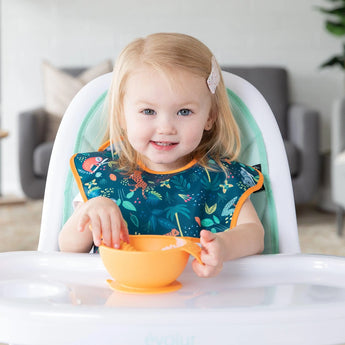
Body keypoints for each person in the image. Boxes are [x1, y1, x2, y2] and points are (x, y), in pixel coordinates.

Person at [59, 32, 264, 278]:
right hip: (117, 302)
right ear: (122, 114)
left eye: (184, 111)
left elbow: (254, 234)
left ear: (209, 117)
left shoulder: (222, 178)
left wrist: (224, 246)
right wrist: (90, 210)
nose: (166, 127)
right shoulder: (103, 173)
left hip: (198, 301)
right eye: (148, 111)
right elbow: (67, 248)